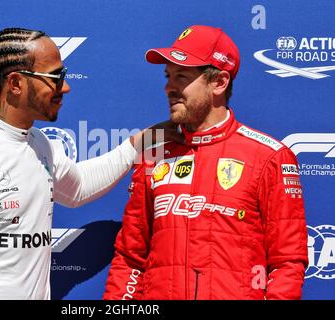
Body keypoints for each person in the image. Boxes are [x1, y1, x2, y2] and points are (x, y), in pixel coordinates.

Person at [0, 27, 181, 300]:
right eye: (55, 77)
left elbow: (78, 188)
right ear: (16, 83)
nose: (66, 87)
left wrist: (141, 142)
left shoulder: (41, 144)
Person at [103, 25, 308, 300]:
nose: (169, 88)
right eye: (168, 76)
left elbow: (287, 262)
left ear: (219, 83)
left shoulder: (269, 157)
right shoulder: (154, 155)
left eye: (182, 76)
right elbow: (130, 258)